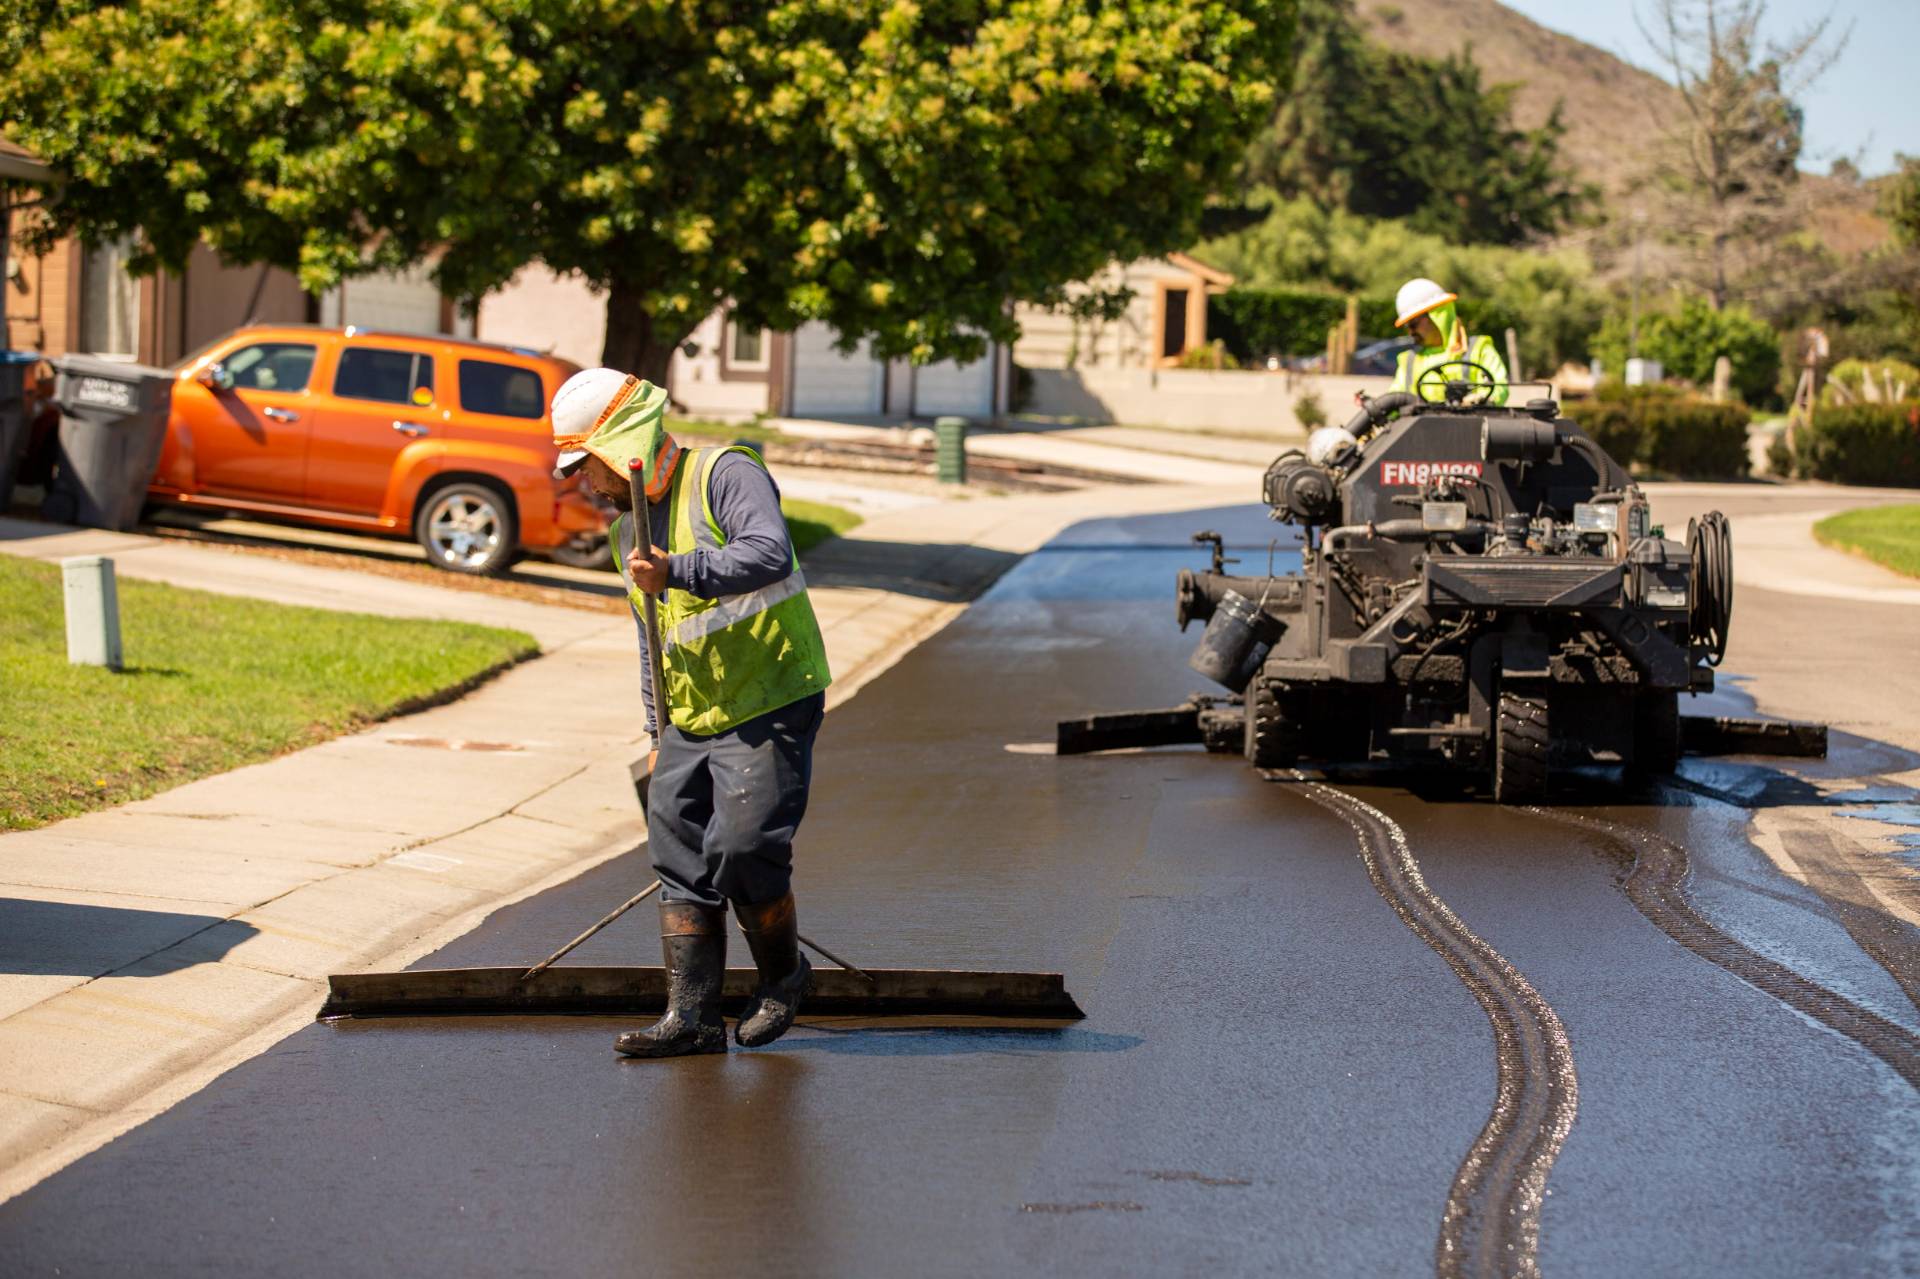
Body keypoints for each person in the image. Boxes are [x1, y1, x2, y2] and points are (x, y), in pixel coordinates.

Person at [549, 368, 832, 1059]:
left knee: (742, 846)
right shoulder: (627, 532)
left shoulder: (726, 474)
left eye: (587, 466)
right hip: (691, 716)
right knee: (675, 849)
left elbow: (769, 551)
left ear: (619, 446)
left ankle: (784, 976)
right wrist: (656, 732)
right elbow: (653, 641)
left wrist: (677, 570)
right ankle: (693, 1016)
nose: (587, 484)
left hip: (769, 694)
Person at [1390, 278, 1510, 406]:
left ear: (1437, 315)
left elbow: (1498, 388)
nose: (1410, 332)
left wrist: (1480, 400)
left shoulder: (1478, 349)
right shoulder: (1410, 361)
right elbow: (1393, 399)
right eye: (1407, 326)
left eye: (1413, 324)